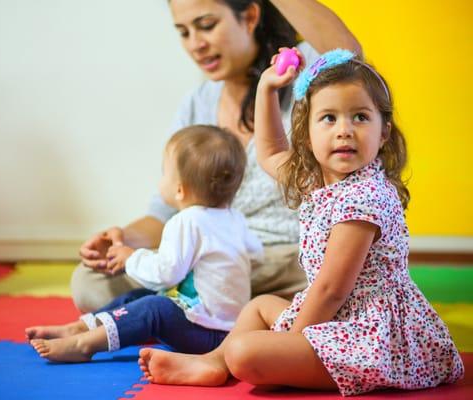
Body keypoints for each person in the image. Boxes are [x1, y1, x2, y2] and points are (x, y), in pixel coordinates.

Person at [136, 49, 465, 395]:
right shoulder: (318, 180)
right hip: (341, 320)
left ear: (383, 132)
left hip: (377, 340)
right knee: (258, 307)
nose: (344, 131)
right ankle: (213, 363)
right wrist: (266, 89)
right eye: (328, 118)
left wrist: (289, 347)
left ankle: (234, 359)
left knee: (244, 351)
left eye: (360, 117)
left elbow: (330, 290)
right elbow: (270, 151)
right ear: (306, 134)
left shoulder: (364, 198)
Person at [70, 0, 362, 312]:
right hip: (210, 264)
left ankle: (207, 313)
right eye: (183, 32)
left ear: (249, 16)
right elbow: (165, 211)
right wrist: (125, 240)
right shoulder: (197, 105)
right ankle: (238, 313)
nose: (196, 44)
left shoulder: (306, 80)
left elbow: (347, 54)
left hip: (291, 263)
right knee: (92, 283)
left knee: (340, 280)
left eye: (207, 25)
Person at [26, 125, 263, 362]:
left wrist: (131, 258)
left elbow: (165, 273)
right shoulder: (235, 219)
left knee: (154, 306)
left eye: (164, 173)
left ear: (180, 190)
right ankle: (79, 327)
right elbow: (256, 254)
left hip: (206, 332)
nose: (161, 179)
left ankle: (83, 344)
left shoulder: (186, 221)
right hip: (230, 328)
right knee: (138, 297)